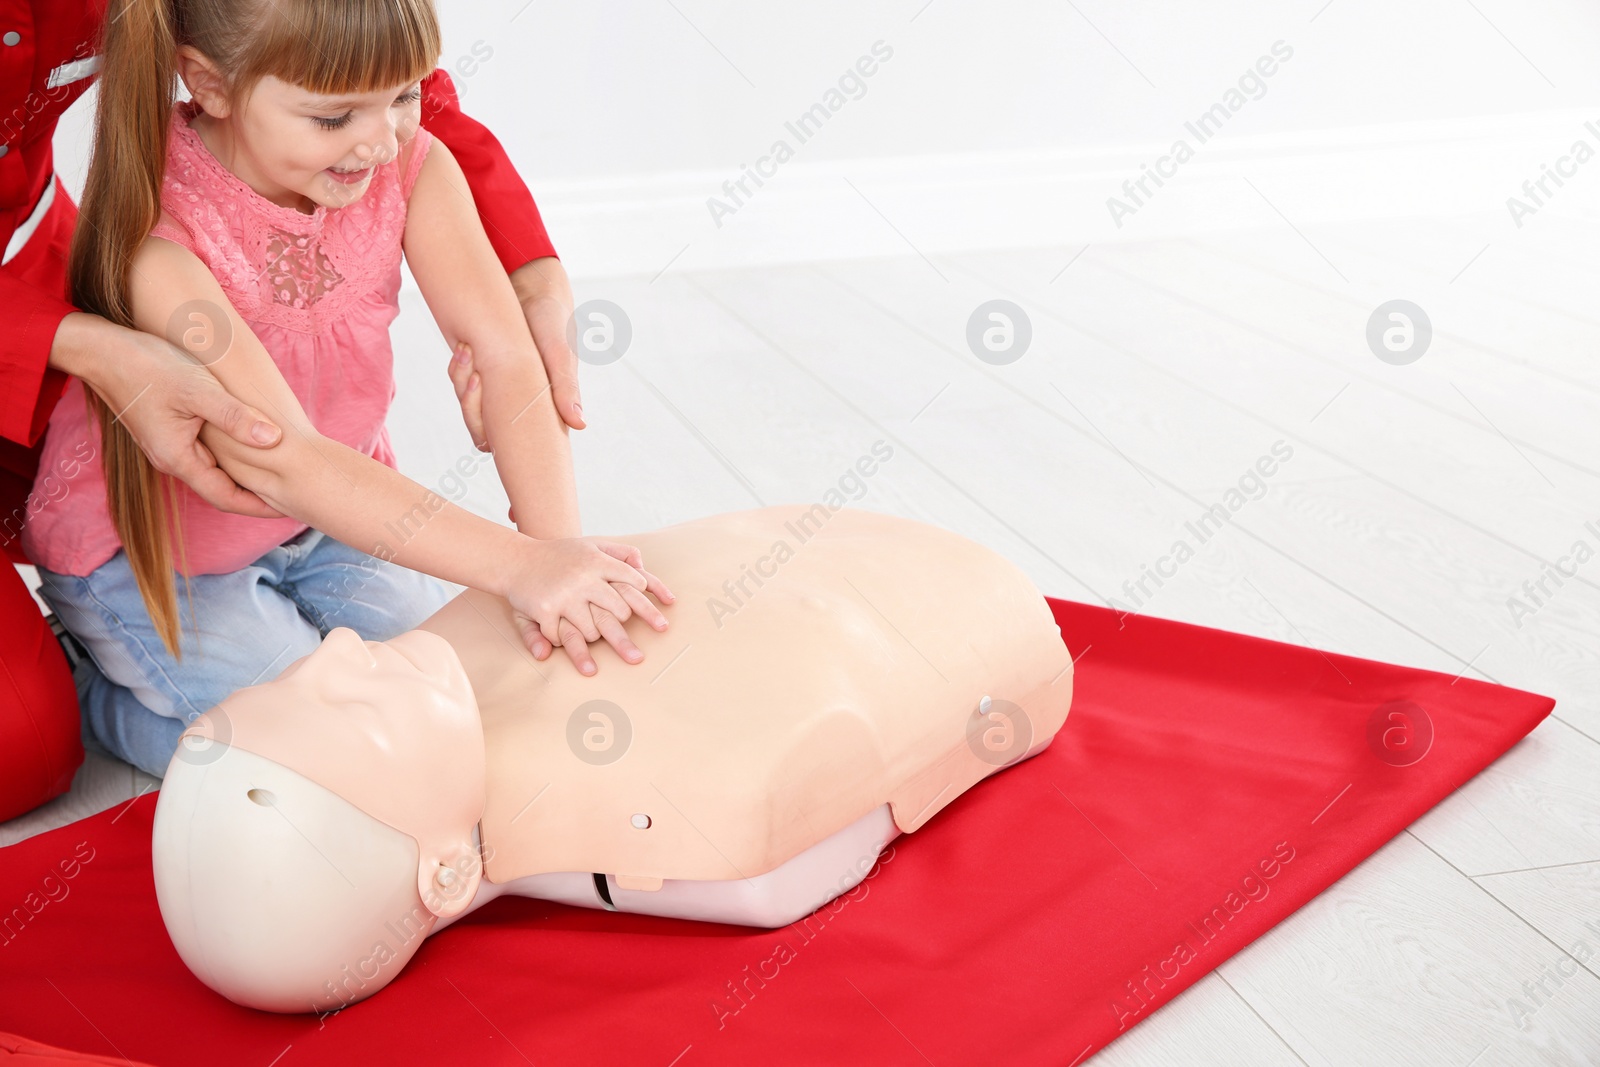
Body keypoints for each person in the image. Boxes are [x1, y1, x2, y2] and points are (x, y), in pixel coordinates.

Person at [5, 0, 673, 784]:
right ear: (209, 85)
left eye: (403, 95)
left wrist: (557, 558)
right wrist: (521, 567)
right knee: (316, 753)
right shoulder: (159, 237)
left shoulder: (408, 160)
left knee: (456, 693)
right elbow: (281, 457)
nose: (381, 139)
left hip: (326, 526)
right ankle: (97, 684)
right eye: (333, 118)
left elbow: (504, 353)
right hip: (165, 559)